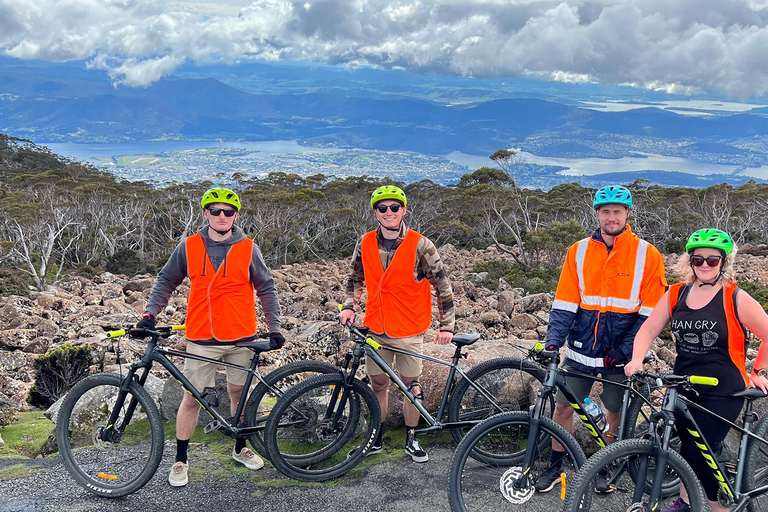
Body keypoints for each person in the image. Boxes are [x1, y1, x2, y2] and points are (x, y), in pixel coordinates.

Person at [136, 187, 285, 488]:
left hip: (241, 336)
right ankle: (181, 460)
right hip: (202, 336)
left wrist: (276, 327)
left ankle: (240, 447)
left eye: (227, 212)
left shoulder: (248, 248)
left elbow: (266, 287)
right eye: (214, 211)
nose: (221, 216)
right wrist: (150, 313)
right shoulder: (189, 246)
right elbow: (167, 280)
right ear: (205, 214)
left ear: (235, 216)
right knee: (191, 399)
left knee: (237, 395)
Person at [535, 184, 668, 494]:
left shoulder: (648, 255)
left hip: (619, 355)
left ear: (627, 214)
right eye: (605, 211)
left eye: (617, 212)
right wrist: (554, 341)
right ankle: (555, 466)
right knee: (563, 408)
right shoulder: (578, 251)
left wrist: (624, 349)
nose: (611, 217)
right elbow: (565, 303)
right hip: (581, 350)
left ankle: (605, 465)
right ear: (597, 214)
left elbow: (650, 315)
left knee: (614, 412)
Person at [625, 228, 768, 512]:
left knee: (699, 452)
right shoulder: (676, 293)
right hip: (684, 384)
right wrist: (636, 360)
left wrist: (759, 371)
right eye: (698, 259)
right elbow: (648, 330)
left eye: (712, 260)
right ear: (690, 261)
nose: (704, 265)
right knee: (687, 450)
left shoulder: (734, 297)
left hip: (724, 389)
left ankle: (716, 507)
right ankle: (687, 502)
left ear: (723, 262)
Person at [337, 185, 455, 463]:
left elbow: (442, 285)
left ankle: (412, 437)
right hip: (376, 327)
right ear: (375, 212)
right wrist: (349, 306)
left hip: (410, 327)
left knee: (410, 384)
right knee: (378, 383)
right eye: (382, 208)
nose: (388, 212)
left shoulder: (421, 244)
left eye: (394, 208)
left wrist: (446, 325)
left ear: (403, 210)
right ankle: (376, 438)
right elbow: (355, 278)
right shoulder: (364, 242)